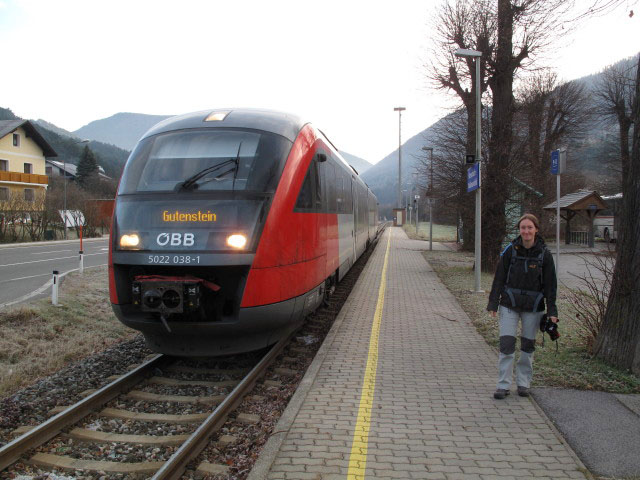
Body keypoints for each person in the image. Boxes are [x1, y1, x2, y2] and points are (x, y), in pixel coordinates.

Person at [487, 213, 558, 399]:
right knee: (506, 345)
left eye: (529, 227)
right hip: (509, 305)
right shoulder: (510, 250)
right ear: (519, 230)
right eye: (523, 228)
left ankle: (523, 383)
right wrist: (493, 303)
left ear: (536, 230)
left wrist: (552, 311)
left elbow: (551, 286)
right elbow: (499, 278)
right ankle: (503, 385)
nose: (526, 231)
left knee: (527, 347)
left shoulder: (545, 254)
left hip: (533, 308)